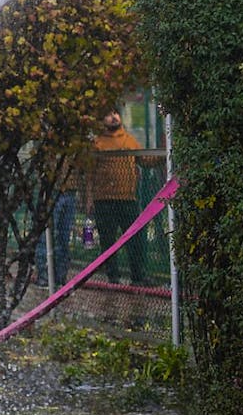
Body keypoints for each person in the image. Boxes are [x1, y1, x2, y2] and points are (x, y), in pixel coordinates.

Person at [85, 109, 162, 286]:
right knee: (108, 241)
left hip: (128, 199)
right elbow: (90, 174)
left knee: (135, 239)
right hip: (104, 200)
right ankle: (113, 277)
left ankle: (138, 277)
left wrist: (163, 156)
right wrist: (89, 198)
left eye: (115, 113)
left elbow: (145, 160)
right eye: (108, 114)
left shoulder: (129, 140)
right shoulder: (98, 143)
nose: (113, 117)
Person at [35, 160, 79, 288]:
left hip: (70, 191)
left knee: (64, 237)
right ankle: (44, 276)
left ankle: (60, 276)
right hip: (52, 190)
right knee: (46, 236)